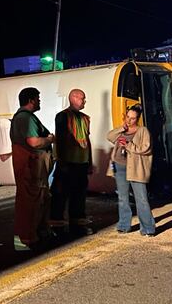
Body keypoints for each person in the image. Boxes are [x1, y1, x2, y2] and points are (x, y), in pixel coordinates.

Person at [8, 87, 54, 251]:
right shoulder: (25, 118)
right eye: (38, 98)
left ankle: (34, 235)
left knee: (34, 200)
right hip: (30, 166)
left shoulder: (20, 118)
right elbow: (34, 142)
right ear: (31, 100)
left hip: (30, 166)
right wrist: (49, 139)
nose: (39, 101)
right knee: (30, 201)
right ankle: (26, 239)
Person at [106, 105, 156, 236]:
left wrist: (128, 145)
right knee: (122, 198)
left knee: (141, 198)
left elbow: (146, 148)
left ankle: (148, 228)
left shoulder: (143, 131)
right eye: (128, 117)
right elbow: (110, 136)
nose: (129, 121)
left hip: (136, 169)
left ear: (137, 119)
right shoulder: (123, 130)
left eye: (133, 119)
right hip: (119, 166)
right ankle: (123, 225)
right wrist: (122, 128)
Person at [52, 89, 94, 236]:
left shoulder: (84, 118)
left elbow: (87, 141)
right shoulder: (63, 116)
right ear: (74, 98)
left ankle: (77, 217)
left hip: (81, 161)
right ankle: (56, 219)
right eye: (82, 98)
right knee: (61, 192)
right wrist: (62, 160)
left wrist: (89, 161)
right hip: (68, 161)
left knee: (79, 191)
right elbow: (61, 140)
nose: (84, 101)